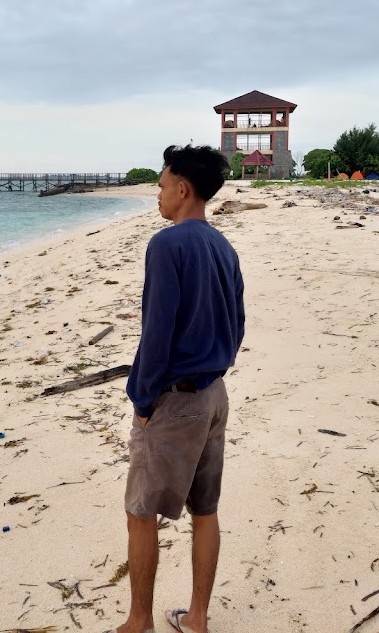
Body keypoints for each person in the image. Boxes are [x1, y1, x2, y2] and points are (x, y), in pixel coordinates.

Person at [113, 144, 245, 633]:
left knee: (140, 511)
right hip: (214, 395)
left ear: (183, 189)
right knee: (205, 510)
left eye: (163, 186)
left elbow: (157, 332)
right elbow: (237, 322)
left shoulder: (167, 244)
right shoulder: (223, 246)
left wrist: (143, 398)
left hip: (177, 399)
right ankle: (197, 618)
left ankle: (139, 621)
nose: (159, 195)